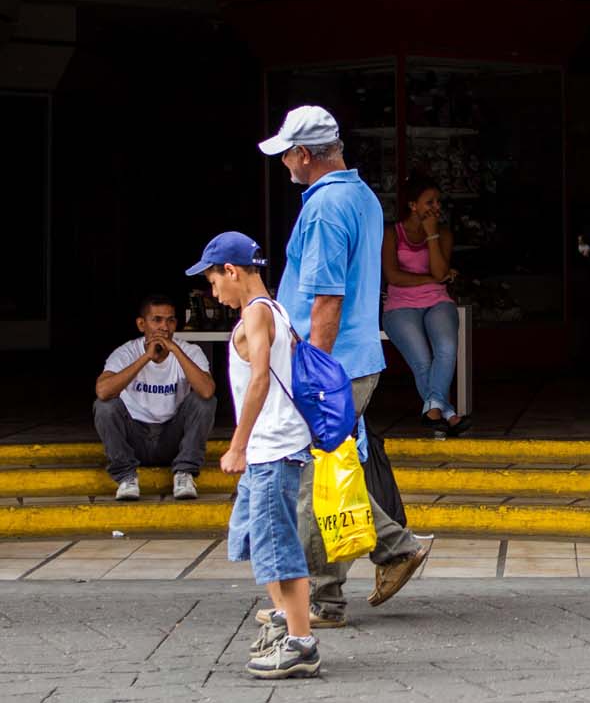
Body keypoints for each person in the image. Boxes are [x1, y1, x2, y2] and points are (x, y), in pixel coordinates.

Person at [259, 105, 431, 629]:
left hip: (331, 363)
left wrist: (311, 370)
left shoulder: (326, 207)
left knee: (313, 481)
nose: (284, 162)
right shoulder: (361, 197)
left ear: (305, 154)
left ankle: (328, 598)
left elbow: (327, 298)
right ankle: (385, 557)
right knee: (330, 474)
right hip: (353, 361)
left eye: (287, 153)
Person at [187, 232, 320, 679]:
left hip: (270, 449)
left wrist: (238, 444)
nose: (213, 293)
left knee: (279, 547)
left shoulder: (259, 314)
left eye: (213, 281)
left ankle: (301, 643)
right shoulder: (275, 310)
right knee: (254, 537)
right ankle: (285, 621)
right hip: (276, 447)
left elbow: (261, 378)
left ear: (232, 270)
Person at [94, 295, 216, 501]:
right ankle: (126, 477)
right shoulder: (125, 352)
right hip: (136, 439)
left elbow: (207, 391)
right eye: (157, 320)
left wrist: (175, 350)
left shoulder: (190, 351)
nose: (164, 327)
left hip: (172, 439)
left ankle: (184, 473)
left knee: (205, 402)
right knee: (105, 406)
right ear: (141, 324)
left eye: (170, 320)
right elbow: (103, 391)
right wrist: (146, 358)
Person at [382, 174, 467, 436]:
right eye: (429, 202)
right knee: (422, 361)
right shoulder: (391, 234)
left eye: (438, 202)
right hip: (400, 305)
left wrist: (431, 235)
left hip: (437, 300)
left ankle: (433, 411)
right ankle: (448, 413)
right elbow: (393, 276)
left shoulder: (443, 233)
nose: (436, 207)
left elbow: (441, 272)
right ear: (412, 205)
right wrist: (432, 278)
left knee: (447, 348)